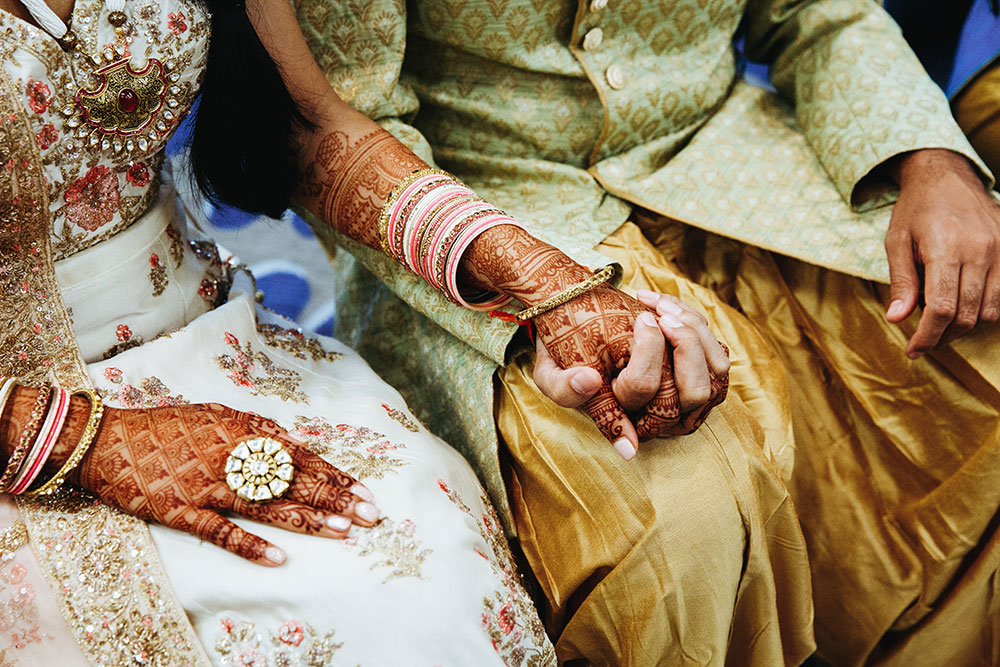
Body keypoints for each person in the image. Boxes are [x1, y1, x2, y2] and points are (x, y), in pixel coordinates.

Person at [294, 1, 1000, 665]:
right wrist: (536, 282)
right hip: (472, 230)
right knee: (680, 519)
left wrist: (930, 160)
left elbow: (810, 13)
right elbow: (336, 117)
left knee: (977, 353)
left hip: (739, 161)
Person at [0, 0, 663, 660]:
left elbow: (306, 128)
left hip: (210, 336)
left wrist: (546, 280)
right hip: (24, 425)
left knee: (429, 559)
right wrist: (78, 439)